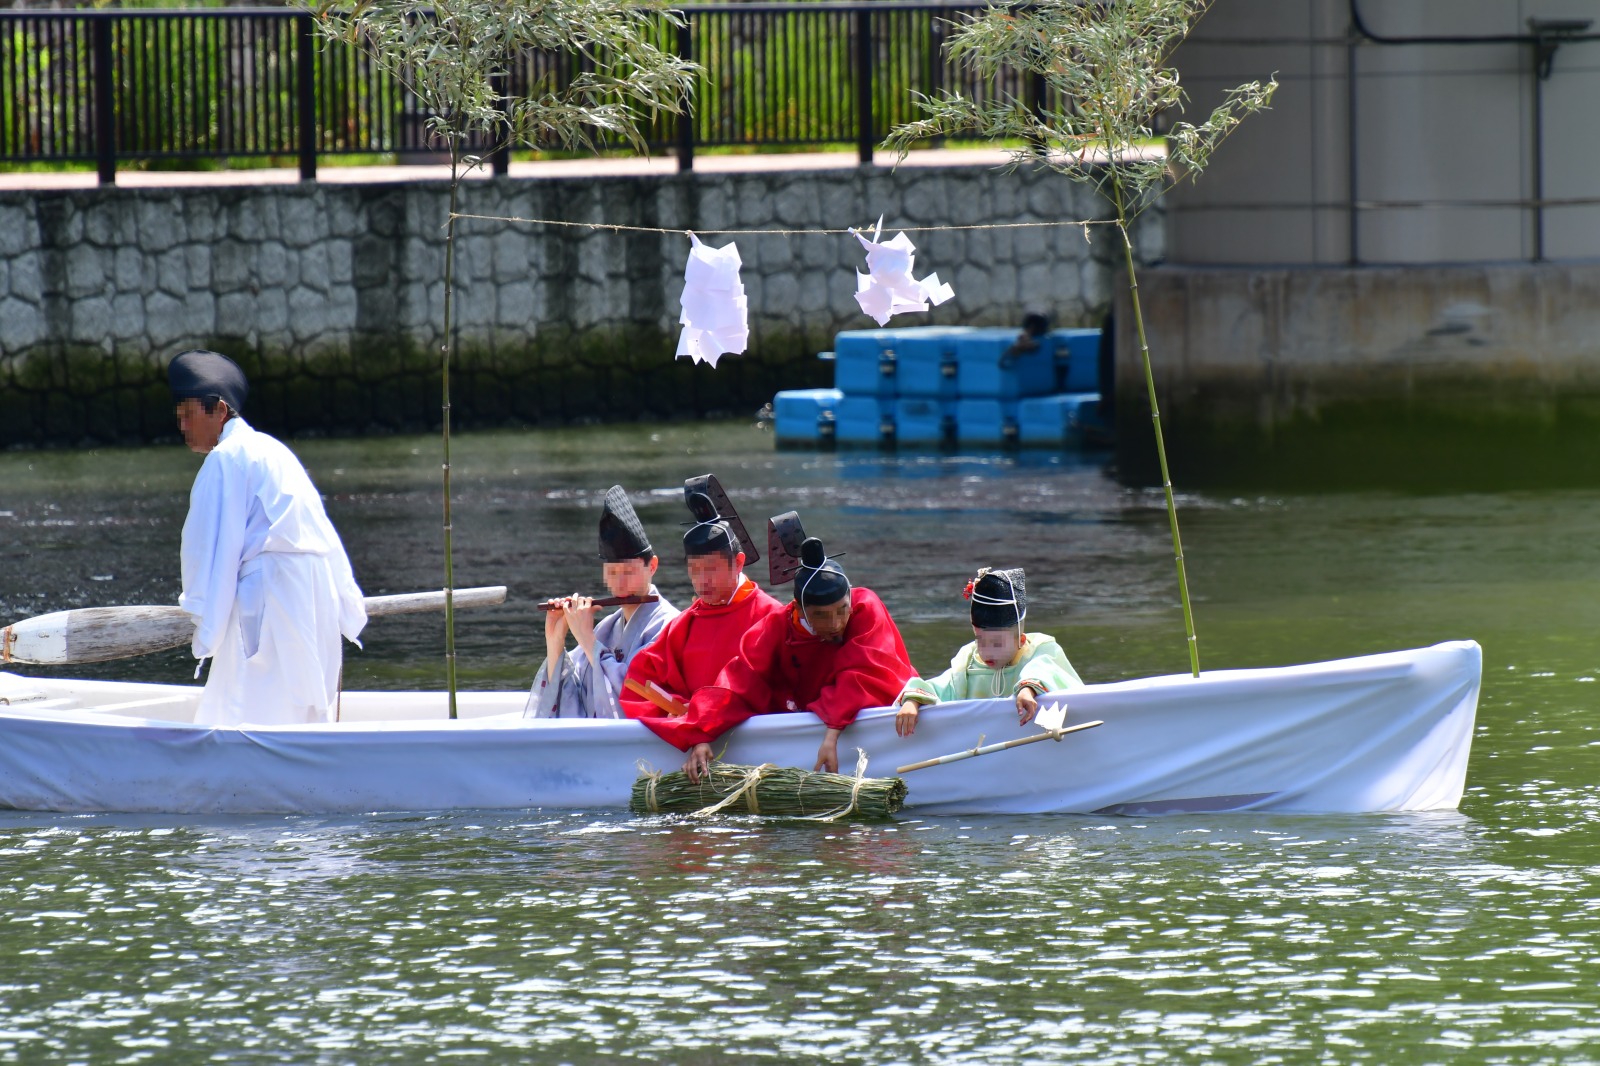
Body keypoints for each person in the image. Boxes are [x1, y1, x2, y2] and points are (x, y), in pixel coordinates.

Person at [170, 349, 367, 726]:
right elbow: (324, 535)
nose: (182, 425)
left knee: (248, 707)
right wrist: (346, 603)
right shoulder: (275, 452)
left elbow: (208, 548)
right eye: (178, 416)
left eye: (188, 413)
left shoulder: (227, 458)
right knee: (304, 710)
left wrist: (200, 617)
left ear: (219, 410)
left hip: (269, 599)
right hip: (315, 595)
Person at [651, 518, 916, 780]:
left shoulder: (865, 606)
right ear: (798, 610)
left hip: (866, 720)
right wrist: (702, 734)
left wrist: (832, 732)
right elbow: (736, 683)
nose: (835, 624)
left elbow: (862, 673)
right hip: (810, 723)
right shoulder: (775, 627)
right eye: (821, 616)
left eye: (842, 610)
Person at [620, 475, 783, 720]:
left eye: (711, 569)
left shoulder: (772, 617)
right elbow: (639, 681)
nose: (701, 581)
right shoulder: (682, 626)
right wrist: (678, 711)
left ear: (738, 563)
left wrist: (701, 717)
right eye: (694, 570)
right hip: (692, 733)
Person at [526, 485, 679, 718]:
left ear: (653, 566)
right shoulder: (606, 628)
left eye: (628, 571)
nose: (620, 583)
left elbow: (638, 700)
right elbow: (576, 701)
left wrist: (588, 639)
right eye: (612, 572)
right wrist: (555, 638)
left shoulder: (670, 626)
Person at [894, 567, 1083, 738]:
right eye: (979, 641)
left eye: (997, 643)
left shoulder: (1039, 651)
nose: (986, 651)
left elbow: (1046, 669)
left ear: (1021, 640)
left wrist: (1028, 688)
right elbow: (940, 687)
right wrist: (913, 702)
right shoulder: (968, 663)